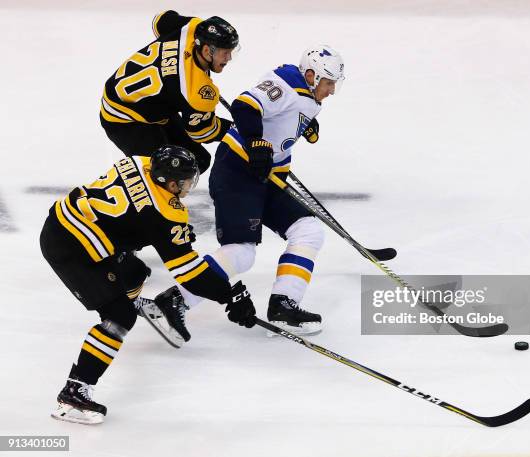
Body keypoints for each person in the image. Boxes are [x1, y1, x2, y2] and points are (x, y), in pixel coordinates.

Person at [40, 145, 257, 424]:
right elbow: (189, 273)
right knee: (119, 317)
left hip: (66, 221)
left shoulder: (138, 160)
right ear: (169, 181)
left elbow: (132, 218)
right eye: (186, 181)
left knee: (134, 273)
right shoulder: (165, 214)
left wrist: (159, 237)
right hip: (71, 248)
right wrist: (230, 296)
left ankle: (128, 300)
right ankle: (73, 393)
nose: (189, 185)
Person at [195, 45, 345, 335]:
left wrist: (303, 125)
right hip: (237, 171)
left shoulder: (309, 97)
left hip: (264, 177)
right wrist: (254, 142)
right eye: (328, 83)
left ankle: (283, 304)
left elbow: (279, 125)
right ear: (311, 76)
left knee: (308, 230)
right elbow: (244, 106)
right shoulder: (287, 81)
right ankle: (174, 302)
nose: (331, 91)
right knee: (241, 253)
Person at [100, 10, 240, 172]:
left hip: (139, 99)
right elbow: (202, 132)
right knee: (170, 171)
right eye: (225, 52)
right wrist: (235, 128)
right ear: (208, 51)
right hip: (125, 120)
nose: (229, 58)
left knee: (198, 160)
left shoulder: (192, 27)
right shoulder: (197, 91)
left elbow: (160, 20)